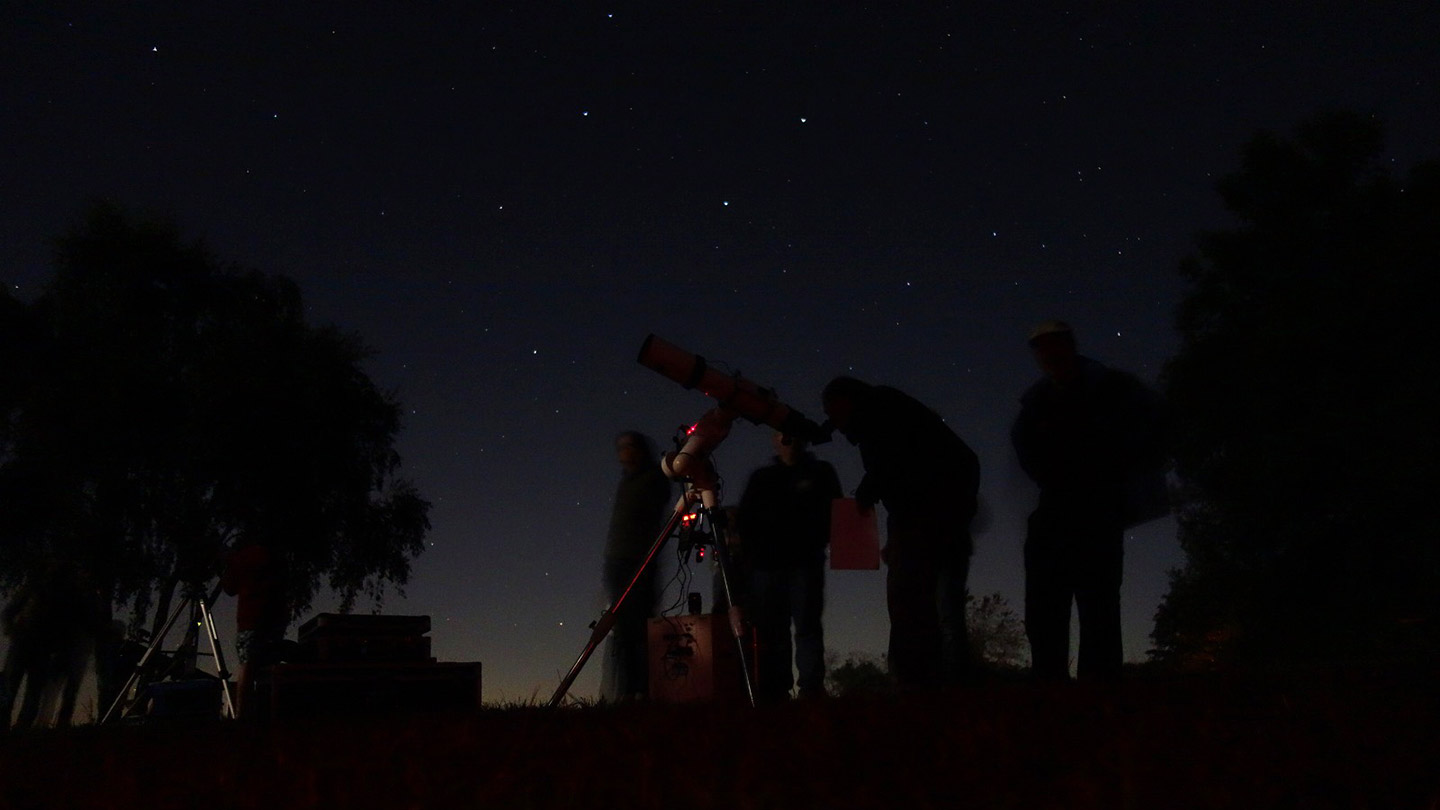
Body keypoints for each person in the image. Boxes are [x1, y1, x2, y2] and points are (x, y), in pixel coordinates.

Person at [1011, 320, 1166, 682]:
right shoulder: (1036, 401)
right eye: (1041, 348)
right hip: (1055, 507)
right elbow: (1025, 447)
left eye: (1054, 345)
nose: (1048, 354)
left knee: (1098, 603)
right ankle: (1051, 684)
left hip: (1099, 505)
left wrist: (1113, 465)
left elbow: (1152, 424)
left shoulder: (1112, 387)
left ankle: (1099, 689)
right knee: (1045, 604)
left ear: (1070, 345)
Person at [821, 377, 980, 690]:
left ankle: (916, 683)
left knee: (911, 601)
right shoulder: (888, 410)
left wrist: (869, 490)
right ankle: (951, 685)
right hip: (940, 514)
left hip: (929, 514)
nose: (838, 426)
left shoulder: (880, 411)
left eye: (835, 414)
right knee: (942, 605)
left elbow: (894, 462)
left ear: (848, 401)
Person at [735, 431, 843, 702]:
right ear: (774, 439)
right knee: (773, 630)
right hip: (766, 567)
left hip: (804, 563)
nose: (789, 440)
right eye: (783, 435)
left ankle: (811, 688)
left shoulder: (820, 472)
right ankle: (777, 690)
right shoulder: (762, 478)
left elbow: (839, 513)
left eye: (794, 434)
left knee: (806, 625)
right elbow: (745, 521)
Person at [599, 431, 673, 702]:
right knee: (624, 631)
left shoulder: (653, 478)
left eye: (628, 447)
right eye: (621, 447)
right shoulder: (627, 482)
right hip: (618, 561)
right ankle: (627, 691)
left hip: (638, 561)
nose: (623, 452)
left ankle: (641, 690)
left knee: (638, 629)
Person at [220, 538, 289, 719]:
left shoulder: (240, 559)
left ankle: (242, 716)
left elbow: (229, 588)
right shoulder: (273, 556)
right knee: (265, 668)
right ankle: (265, 712)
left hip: (249, 621)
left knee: (247, 667)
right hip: (273, 619)